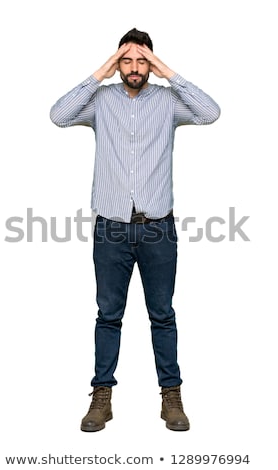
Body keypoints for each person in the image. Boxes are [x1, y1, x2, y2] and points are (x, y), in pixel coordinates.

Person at [50, 28, 220, 432]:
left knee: (162, 314)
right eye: (127, 61)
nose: (134, 68)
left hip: (158, 229)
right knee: (108, 314)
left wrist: (165, 69)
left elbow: (210, 112)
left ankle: (171, 397)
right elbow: (58, 116)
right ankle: (102, 397)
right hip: (111, 229)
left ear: (151, 65)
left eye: (142, 61)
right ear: (118, 64)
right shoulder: (101, 102)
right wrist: (104, 68)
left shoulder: (167, 103)